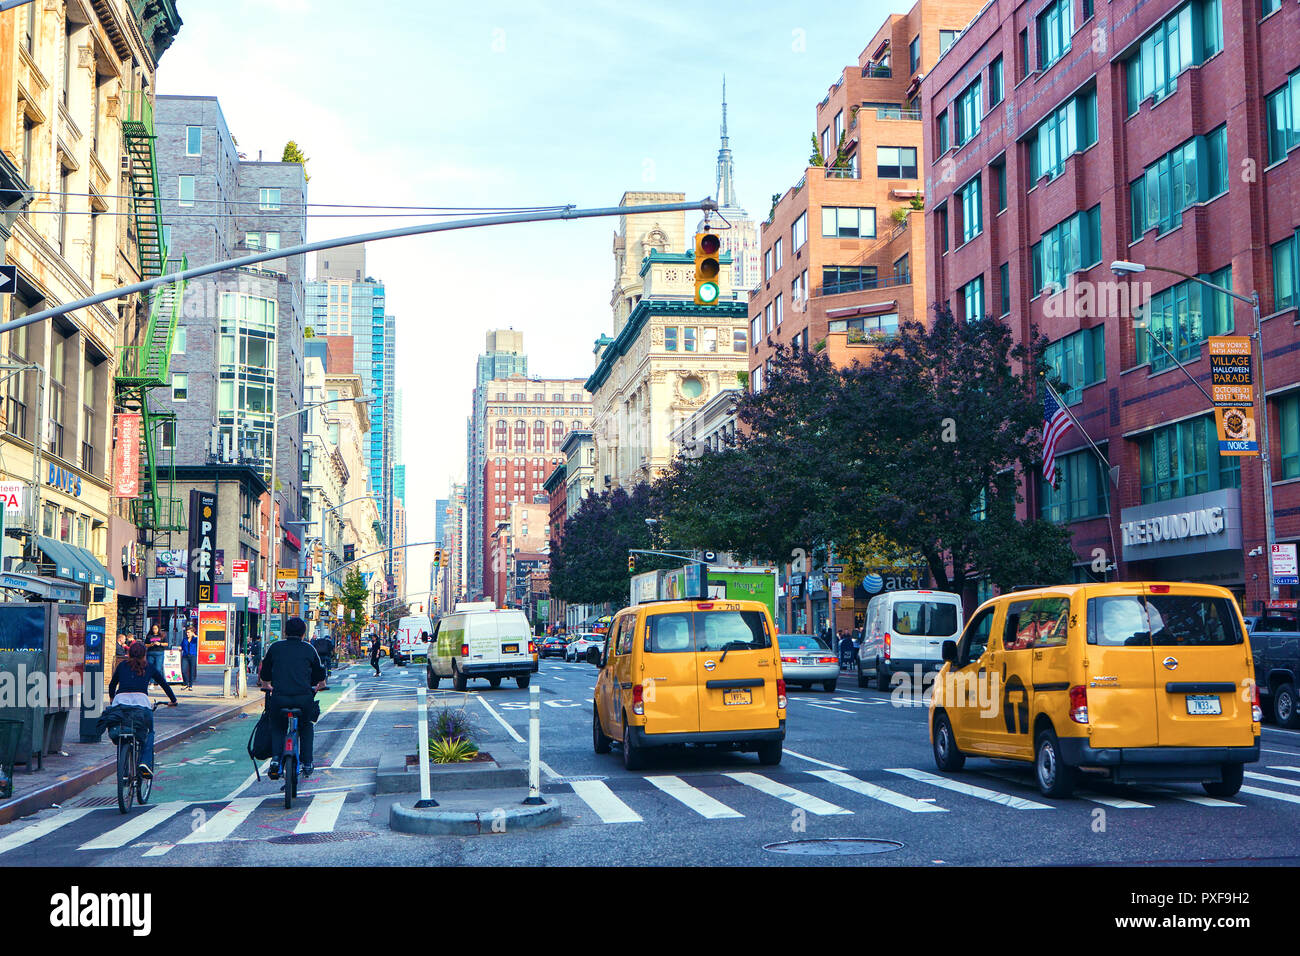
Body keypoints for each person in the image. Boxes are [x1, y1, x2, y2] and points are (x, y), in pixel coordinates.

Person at [258, 617, 326, 780]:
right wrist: (320, 684)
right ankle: (307, 762)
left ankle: (275, 760)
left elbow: (265, 671)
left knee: (277, 725)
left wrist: (267, 684)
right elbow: (319, 672)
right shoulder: (309, 649)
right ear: (303, 633)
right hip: (303, 699)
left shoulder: (276, 648)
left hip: (279, 698)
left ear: (285, 632)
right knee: (306, 726)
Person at [108, 641, 178, 778]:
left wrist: (112, 699)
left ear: (129, 653)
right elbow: (164, 684)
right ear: (144, 654)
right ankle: (145, 762)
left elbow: (112, 685)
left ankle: (124, 767)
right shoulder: (149, 667)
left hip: (120, 704)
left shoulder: (122, 665)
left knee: (123, 731)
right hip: (141, 705)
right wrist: (173, 700)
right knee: (149, 732)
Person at [180, 625, 198, 691]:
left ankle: (190, 685)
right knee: (183, 670)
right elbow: (182, 646)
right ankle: (185, 683)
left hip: (193, 655)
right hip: (185, 655)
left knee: (191, 670)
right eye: (187, 632)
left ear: (192, 632)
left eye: (189, 632)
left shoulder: (195, 639)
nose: (187, 634)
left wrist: (194, 635)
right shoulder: (184, 639)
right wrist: (180, 648)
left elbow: (199, 641)